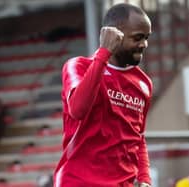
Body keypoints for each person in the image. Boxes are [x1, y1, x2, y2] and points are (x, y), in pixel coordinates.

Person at [53, 3, 152, 187]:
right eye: (138, 38)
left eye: (146, 38)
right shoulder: (78, 67)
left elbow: (139, 137)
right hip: (79, 182)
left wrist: (145, 178)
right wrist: (104, 52)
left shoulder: (144, 84)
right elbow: (78, 109)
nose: (143, 44)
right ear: (115, 34)